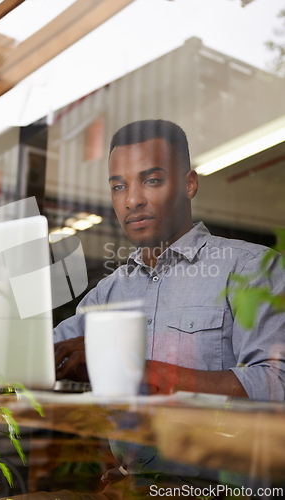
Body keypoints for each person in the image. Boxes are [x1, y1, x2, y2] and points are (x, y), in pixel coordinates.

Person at [54, 119, 285, 402]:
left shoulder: (249, 269)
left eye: (151, 181)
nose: (132, 200)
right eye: (118, 186)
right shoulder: (107, 294)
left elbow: (276, 384)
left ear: (189, 184)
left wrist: (144, 374)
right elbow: (38, 360)